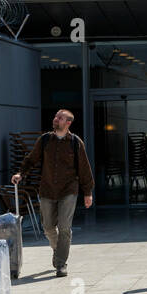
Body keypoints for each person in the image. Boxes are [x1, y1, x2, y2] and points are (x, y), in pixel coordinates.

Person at [12, 109, 94, 278]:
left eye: (60, 118)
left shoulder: (75, 142)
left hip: (69, 190)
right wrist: (21, 173)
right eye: (56, 116)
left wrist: (88, 192)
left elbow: (84, 169)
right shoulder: (45, 140)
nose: (55, 119)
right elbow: (31, 159)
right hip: (47, 189)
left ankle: (61, 263)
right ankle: (58, 250)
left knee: (64, 227)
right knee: (48, 227)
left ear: (68, 123)